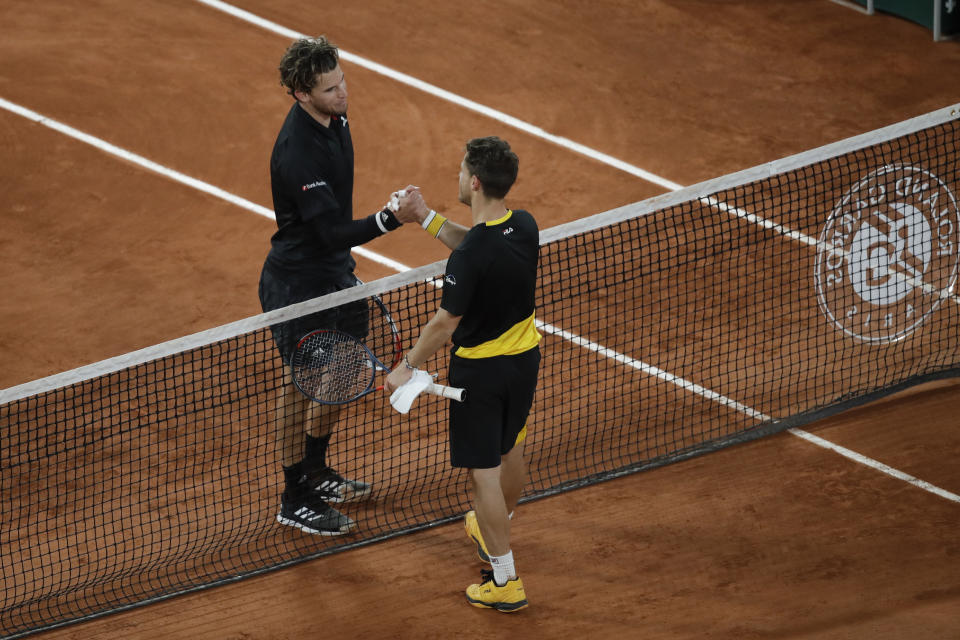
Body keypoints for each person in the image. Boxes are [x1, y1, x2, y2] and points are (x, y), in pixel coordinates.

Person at [258, 36, 417, 536]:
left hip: (335, 274)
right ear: (302, 94)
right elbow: (327, 230)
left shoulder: (335, 117)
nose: (343, 92)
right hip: (297, 285)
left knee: (342, 363)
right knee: (299, 384)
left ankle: (316, 468)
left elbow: (334, 235)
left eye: (342, 80)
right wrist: (391, 219)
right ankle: (293, 494)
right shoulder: (297, 153)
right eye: (330, 89)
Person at [385, 137, 541, 612]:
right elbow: (475, 246)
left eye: (460, 171)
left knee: (482, 477)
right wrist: (425, 216)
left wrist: (406, 366)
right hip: (525, 360)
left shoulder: (471, 257)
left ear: (474, 182)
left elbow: (444, 322)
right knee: (510, 445)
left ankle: (505, 580)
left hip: (481, 374)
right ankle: (495, 524)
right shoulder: (524, 226)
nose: (457, 176)